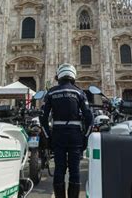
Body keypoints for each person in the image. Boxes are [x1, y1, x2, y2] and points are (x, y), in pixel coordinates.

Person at [40, 63, 93, 198]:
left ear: (59, 76)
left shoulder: (51, 92)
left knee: (59, 169)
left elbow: (43, 118)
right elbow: (89, 118)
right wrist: (86, 137)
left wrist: (48, 137)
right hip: (75, 135)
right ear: (73, 76)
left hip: (58, 134)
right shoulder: (79, 92)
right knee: (75, 170)